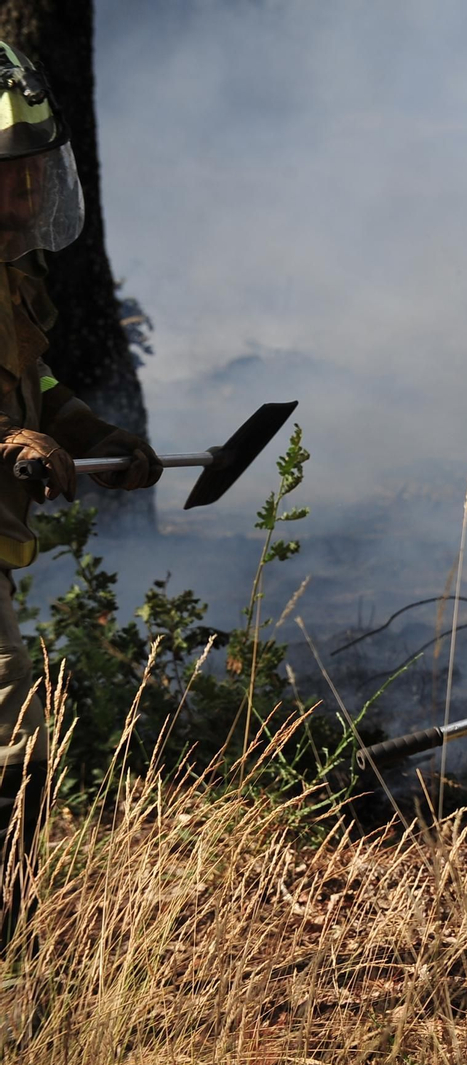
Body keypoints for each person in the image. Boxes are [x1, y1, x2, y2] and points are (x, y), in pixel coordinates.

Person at [0, 41, 162, 938]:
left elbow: (33, 385)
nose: (24, 198)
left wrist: (84, 430)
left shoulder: (9, 276)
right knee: (11, 744)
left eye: (31, 177)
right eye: (7, 178)